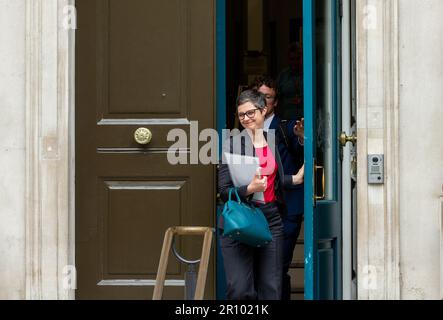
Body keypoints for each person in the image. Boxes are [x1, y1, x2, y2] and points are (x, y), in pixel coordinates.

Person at [218, 90, 302, 300]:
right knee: (240, 290)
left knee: (271, 288)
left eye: (250, 113)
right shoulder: (232, 145)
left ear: (264, 110)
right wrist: (249, 189)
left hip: (271, 219)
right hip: (240, 219)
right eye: (241, 115)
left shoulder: (272, 140)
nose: (246, 119)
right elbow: (224, 191)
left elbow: (270, 180)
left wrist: (294, 179)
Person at [251, 75, 305, 300]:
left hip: (287, 210)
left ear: (276, 102)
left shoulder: (286, 127)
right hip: (258, 208)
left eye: (269, 97)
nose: (264, 101)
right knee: (259, 267)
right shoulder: (246, 127)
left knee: (279, 265)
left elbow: (301, 148)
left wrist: (302, 138)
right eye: (260, 96)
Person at [276, 42, 304, 121]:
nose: (295, 62)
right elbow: (276, 98)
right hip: (286, 119)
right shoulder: (283, 75)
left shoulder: (310, 75)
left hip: (306, 119)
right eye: (292, 59)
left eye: (298, 58)